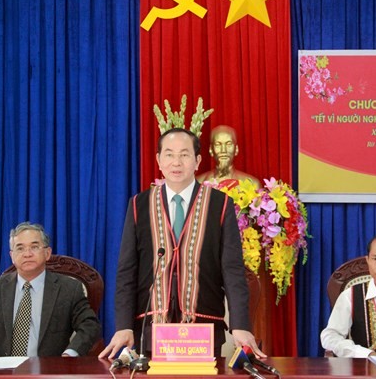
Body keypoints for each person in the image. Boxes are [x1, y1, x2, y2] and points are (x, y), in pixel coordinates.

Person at [99, 128, 265, 360]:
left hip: (204, 325)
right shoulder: (139, 205)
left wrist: (240, 325)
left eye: (184, 155)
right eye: (169, 154)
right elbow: (127, 270)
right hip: (151, 327)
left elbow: (233, 270)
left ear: (197, 161)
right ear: (158, 160)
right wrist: (123, 325)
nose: (176, 162)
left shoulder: (220, 204)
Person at [0, 222, 102, 357]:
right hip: (3, 371)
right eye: (20, 248)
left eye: (34, 247)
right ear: (12, 256)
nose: (27, 254)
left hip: (49, 371)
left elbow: (89, 326)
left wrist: (69, 355)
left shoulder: (69, 288)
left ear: (47, 253)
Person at [196, 125, 260, 189]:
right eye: (218, 144)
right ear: (211, 150)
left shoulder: (252, 184)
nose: (223, 150)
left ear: (236, 149)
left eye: (229, 144)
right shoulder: (198, 183)